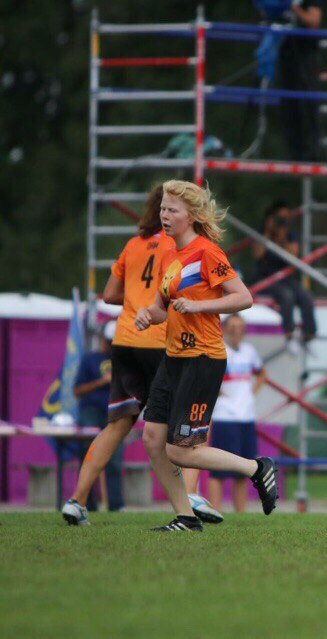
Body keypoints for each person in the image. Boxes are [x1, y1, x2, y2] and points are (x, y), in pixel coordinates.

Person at [63, 187, 226, 525]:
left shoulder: (133, 245)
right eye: (166, 209)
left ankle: (77, 501)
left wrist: (137, 301)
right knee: (190, 424)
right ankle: (190, 497)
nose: (168, 214)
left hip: (125, 339)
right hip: (165, 343)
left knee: (117, 426)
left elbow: (109, 294)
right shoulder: (177, 246)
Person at [135, 180, 278, 532]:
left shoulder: (207, 252)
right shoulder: (169, 255)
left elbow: (243, 298)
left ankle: (256, 468)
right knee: (153, 440)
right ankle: (186, 517)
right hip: (173, 359)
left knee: (181, 450)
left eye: (172, 210)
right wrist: (146, 315)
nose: (164, 215)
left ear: (192, 216)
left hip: (202, 359)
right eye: (163, 208)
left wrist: (200, 305)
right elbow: (161, 309)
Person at [208, 314, 266, 513]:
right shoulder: (219, 350)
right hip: (224, 417)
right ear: (224, 329)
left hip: (246, 417)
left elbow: (261, 373)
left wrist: (251, 393)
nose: (237, 331)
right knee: (218, 471)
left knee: (244, 470)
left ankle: (240, 513)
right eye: (232, 327)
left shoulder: (249, 351)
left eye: (240, 327)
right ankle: (215, 511)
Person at [252, 201, 317, 354]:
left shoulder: (290, 235)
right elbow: (257, 254)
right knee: (286, 296)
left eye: (286, 218)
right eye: (280, 218)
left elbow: (293, 255)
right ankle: (288, 334)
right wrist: (268, 232)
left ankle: (309, 335)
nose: (283, 221)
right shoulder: (262, 233)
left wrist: (281, 238)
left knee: (306, 295)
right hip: (265, 279)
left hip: (286, 279)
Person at [72, 322, 121, 511]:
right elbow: (77, 390)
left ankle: (116, 506)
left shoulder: (123, 360)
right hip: (91, 411)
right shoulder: (90, 359)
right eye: (109, 341)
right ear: (103, 339)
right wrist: (102, 381)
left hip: (114, 412)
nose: (111, 345)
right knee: (88, 456)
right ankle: (86, 504)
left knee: (114, 459)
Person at [276, 0, 323, 161]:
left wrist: (294, 8)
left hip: (305, 53)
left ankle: (311, 154)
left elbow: (314, 21)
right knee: (288, 105)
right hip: (284, 52)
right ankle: (292, 154)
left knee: (308, 103)